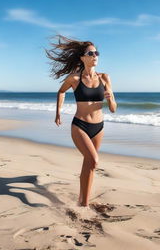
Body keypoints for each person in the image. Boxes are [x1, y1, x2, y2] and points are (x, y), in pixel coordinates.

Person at [45, 34, 117, 207]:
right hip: (80, 126)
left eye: (96, 53)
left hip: (99, 127)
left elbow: (113, 109)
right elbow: (61, 91)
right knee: (93, 160)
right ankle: (84, 204)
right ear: (82, 57)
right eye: (91, 54)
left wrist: (110, 99)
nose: (95, 57)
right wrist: (58, 112)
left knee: (89, 164)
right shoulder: (74, 78)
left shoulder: (105, 77)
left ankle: (83, 201)